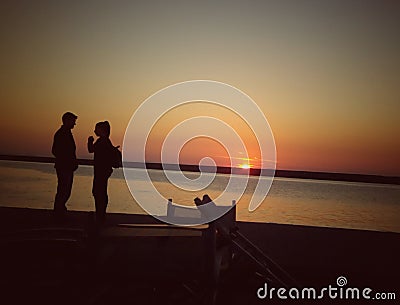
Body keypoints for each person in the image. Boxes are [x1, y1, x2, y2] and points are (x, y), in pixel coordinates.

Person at [87, 121, 114, 226]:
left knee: (98, 193)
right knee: (101, 192)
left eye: (96, 129)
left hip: (100, 172)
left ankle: (100, 216)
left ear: (102, 130)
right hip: (103, 172)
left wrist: (90, 141)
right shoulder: (106, 141)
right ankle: (101, 215)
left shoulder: (102, 141)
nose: (94, 131)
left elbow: (91, 150)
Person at [52, 112, 78, 219]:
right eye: (73, 121)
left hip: (66, 167)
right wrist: (68, 160)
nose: (74, 124)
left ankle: (60, 211)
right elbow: (55, 150)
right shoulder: (62, 134)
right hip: (64, 167)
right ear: (67, 121)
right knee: (63, 190)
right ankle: (58, 213)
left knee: (64, 190)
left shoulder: (64, 133)